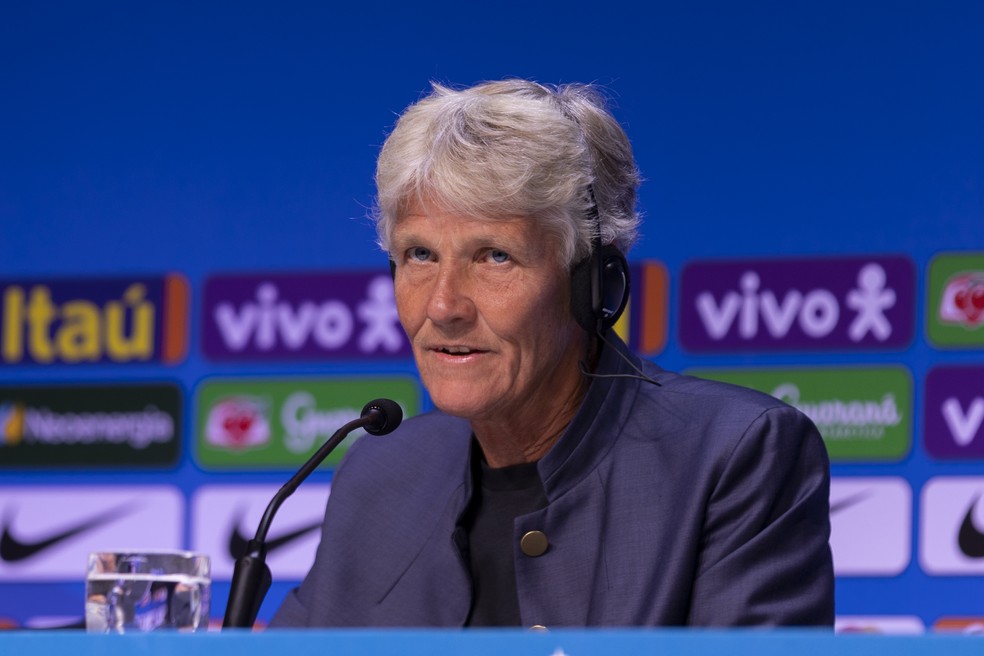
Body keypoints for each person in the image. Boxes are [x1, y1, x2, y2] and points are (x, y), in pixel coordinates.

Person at [271, 79, 834, 628]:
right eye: (419, 254)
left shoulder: (733, 456)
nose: (443, 306)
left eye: (495, 256)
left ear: (592, 285)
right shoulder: (383, 472)